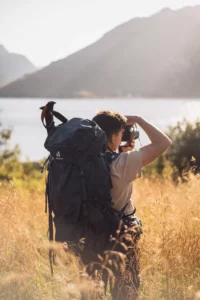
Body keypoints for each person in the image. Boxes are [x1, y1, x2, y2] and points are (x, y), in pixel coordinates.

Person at [92, 111, 172, 299]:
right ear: (112, 137)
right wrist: (139, 119)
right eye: (121, 134)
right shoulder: (121, 164)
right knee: (127, 289)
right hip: (120, 236)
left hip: (89, 233)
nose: (123, 137)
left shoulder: (84, 163)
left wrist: (119, 152)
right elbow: (164, 143)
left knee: (91, 289)